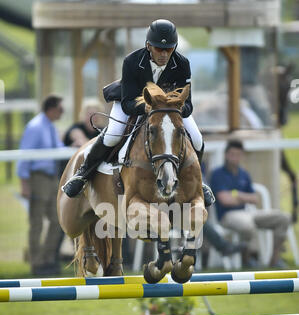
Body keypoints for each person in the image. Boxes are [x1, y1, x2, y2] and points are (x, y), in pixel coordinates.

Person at [62, 19, 215, 207]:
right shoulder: (132, 61)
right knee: (112, 134)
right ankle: (83, 175)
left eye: (169, 49)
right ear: (149, 45)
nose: (164, 54)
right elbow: (127, 103)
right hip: (133, 103)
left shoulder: (182, 63)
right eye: (159, 49)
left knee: (197, 138)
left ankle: (199, 182)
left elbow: (188, 104)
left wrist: (170, 107)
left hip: (169, 110)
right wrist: (152, 107)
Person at [210, 139, 291, 268]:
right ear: (226, 155)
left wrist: (236, 194)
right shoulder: (217, 174)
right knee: (247, 224)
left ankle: (275, 259)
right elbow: (224, 200)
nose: (235, 158)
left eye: (238, 154)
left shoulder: (244, 174)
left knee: (283, 218)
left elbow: (255, 199)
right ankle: (247, 259)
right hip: (228, 215)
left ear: (242, 155)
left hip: (248, 213)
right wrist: (242, 196)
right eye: (232, 154)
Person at [17, 94, 65, 276]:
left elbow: (57, 148)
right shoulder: (35, 127)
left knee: (56, 221)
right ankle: (36, 263)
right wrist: (24, 183)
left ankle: (47, 259)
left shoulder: (50, 127)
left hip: (51, 178)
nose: (62, 113)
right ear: (51, 109)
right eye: (61, 109)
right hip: (37, 178)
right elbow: (24, 155)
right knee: (36, 222)